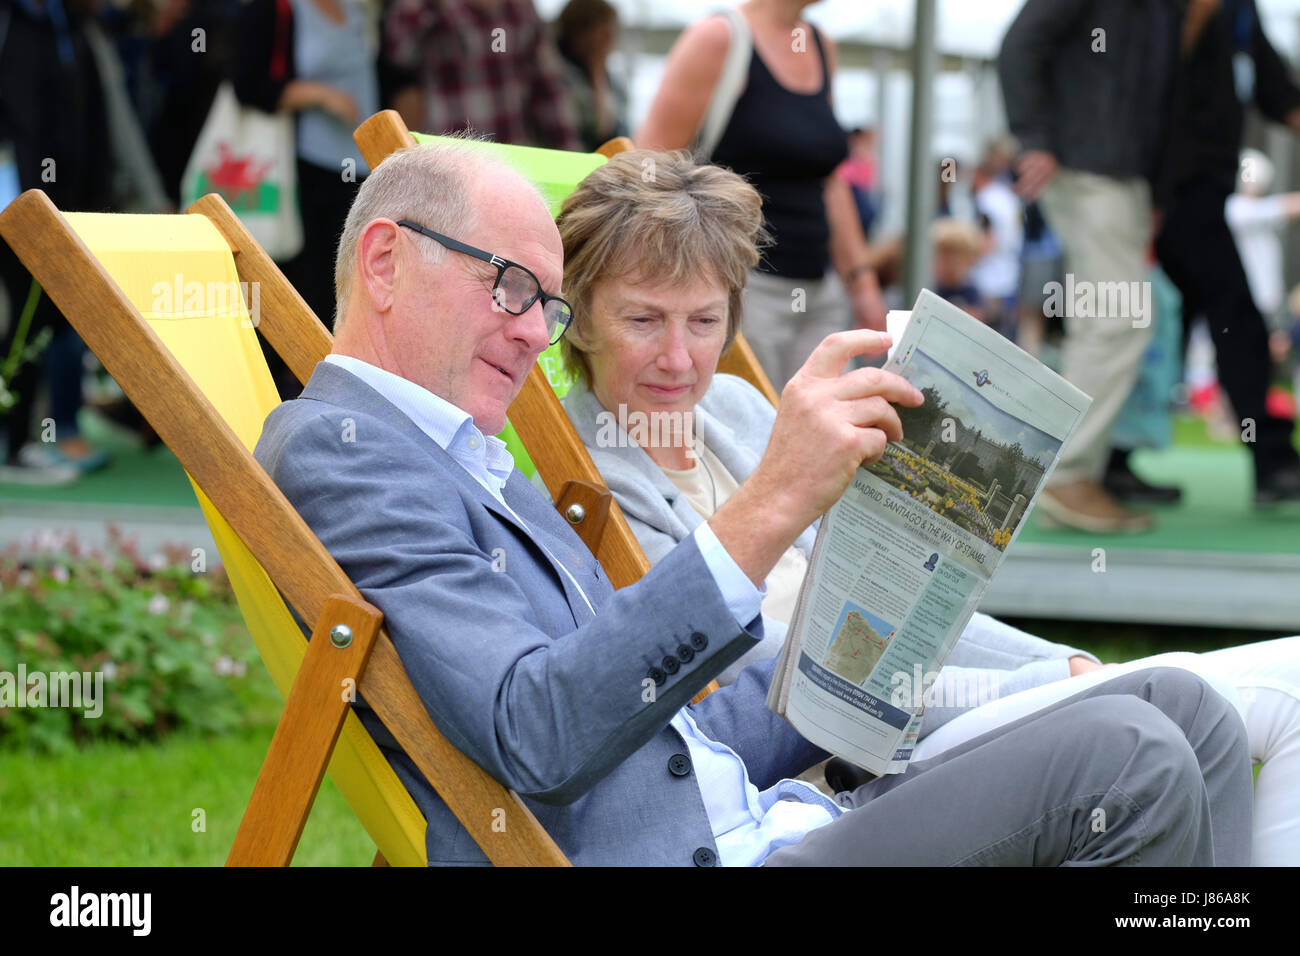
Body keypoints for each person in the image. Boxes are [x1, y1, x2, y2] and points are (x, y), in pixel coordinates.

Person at [253, 140, 1252, 866]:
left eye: (542, 306)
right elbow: (537, 728)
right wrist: (774, 499)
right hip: (707, 851)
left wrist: (875, 661)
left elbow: (689, 714)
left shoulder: (466, 450)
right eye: (510, 287)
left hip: (769, 809)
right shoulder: (349, 452)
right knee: (1127, 757)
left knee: (1182, 708)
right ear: (384, 261)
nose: (529, 332)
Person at [556, 148, 1297, 864]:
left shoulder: (736, 409)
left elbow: (919, 611)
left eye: (705, 321)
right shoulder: (592, 484)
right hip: (853, 755)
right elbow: (756, 680)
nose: (680, 358)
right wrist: (1037, 686)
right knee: (1197, 711)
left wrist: (1062, 662)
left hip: (929, 702)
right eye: (644, 321)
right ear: (580, 315)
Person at [999, 0, 1184, 533]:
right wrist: (1034, 137)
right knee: (1116, 320)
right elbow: (1020, 44)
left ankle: (1059, 470)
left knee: (1108, 320)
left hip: (1112, 168)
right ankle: (1063, 474)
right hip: (1087, 164)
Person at [635, 0, 886, 390]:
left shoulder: (820, 45)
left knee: (822, 433)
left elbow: (829, 180)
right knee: (751, 434)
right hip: (741, 289)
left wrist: (863, 282)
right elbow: (648, 169)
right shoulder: (718, 38)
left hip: (820, 294)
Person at [1155, 0, 1300, 506]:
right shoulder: (1154, 12)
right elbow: (1140, 89)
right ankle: (1273, 463)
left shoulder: (1240, 11)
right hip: (1162, 197)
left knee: (1198, 326)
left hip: (1204, 197)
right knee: (1219, 323)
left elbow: (1276, 88)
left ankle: (1111, 461)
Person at [233, 0, 378, 333]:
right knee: (311, 288)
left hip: (363, 169)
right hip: (307, 168)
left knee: (352, 288)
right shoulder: (276, 9)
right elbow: (248, 84)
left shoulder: (358, 8)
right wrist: (321, 95)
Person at [384, 0, 582, 151]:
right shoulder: (431, 7)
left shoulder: (521, 9)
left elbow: (548, 88)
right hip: (449, 153)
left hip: (513, 153)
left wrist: (571, 154)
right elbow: (396, 49)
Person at [553, 0, 627, 153]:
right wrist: (596, 72)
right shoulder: (557, 75)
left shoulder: (611, 77)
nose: (608, 39)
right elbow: (600, 130)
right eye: (601, 30)